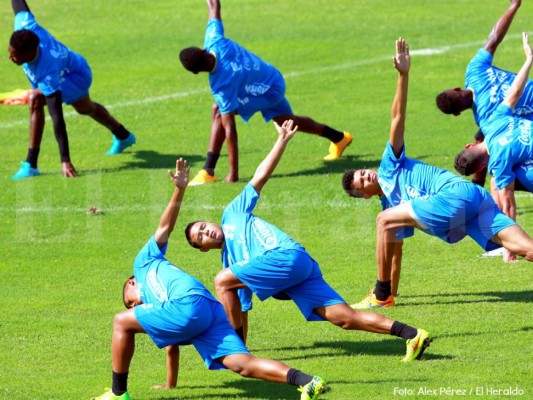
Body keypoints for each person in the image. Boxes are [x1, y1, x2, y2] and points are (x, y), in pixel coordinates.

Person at [184, 119, 432, 364]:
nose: (207, 233)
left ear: (211, 221)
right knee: (344, 318)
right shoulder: (233, 265)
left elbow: (261, 176)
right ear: (204, 248)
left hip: (286, 256)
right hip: (297, 273)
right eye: (201, 237)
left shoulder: (232, 214)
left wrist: (281, 142)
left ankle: (234, 352)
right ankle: (412, 334)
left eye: (204, 227)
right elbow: (240, 311)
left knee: (221, 280)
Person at [91, 158, 329, 400]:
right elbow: (171, 345)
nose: (135, 307)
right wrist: (170, 384)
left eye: (130, 302)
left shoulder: (144, 263)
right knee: (242, 364)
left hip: (190, 303)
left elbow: (165, 227)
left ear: (131, 283)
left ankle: (118, 393)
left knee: (121, 322)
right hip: (207, 311)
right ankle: (307, 381)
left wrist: (180, 189)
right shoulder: (158, 307)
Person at [342, 38, 533, 310]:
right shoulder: (397, 210)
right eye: (362, 181)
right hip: (475, 206)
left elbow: (397, 118)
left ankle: (379, 294)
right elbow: (394, 254)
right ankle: (386, 295)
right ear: (363, 195)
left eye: (363, 172)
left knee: (383, 220)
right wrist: (395, 290)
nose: (366, 176)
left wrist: (403, 75)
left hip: (457, 195)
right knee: (527, 249)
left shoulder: (389, 167)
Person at [179, 0, 352, 186]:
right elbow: (213, 5)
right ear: (203, 49)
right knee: (291, 123)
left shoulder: (221, 85)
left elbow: (230, 129)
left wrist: (233, 173)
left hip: (266, 93)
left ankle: (208, 170)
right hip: (273, 79)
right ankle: (339, 138)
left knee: (219, 111)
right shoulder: (214, 40)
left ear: (196, 72)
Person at [8, 0, 136, 180]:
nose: (10, 57)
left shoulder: (47, 70)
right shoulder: (24, 27)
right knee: (85, 108)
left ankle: (31, 164)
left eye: (15, 55)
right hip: (73, 66)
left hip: (75, 76)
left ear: (29, 54)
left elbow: (57, 116)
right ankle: (123, 135)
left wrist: (65, 159)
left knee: (35, 100)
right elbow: (19, 6)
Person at [435, 0, 533, 188]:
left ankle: (478, 193)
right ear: (456, 88)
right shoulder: (475, 70)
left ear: (458, 113)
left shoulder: (486, 119)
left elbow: (481, 150)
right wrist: (513, 6)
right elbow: (494, 37)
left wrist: (478, 183)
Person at [454, 32, 533, 262]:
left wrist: (511, 250)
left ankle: (507, 247)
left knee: (501, 182)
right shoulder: (493, 123)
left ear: (483, 165)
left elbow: (508, 207)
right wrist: (528, 59)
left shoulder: (497, 161)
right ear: (471, 145)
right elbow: (515, 92)